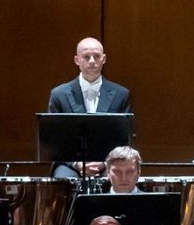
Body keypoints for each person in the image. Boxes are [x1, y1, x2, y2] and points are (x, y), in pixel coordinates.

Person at [48, 37, 131, 178]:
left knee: (115, 177)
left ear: (104, 59)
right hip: (70, 162)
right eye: (86, 57)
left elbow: (125, 139)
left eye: (96, 56)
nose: (92, 61)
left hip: (108, 161)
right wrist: (77, 164)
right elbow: (53, 139)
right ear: (77, 60)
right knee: (64, 180)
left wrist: (104, 163)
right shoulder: (58, 94)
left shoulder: (121, 94)